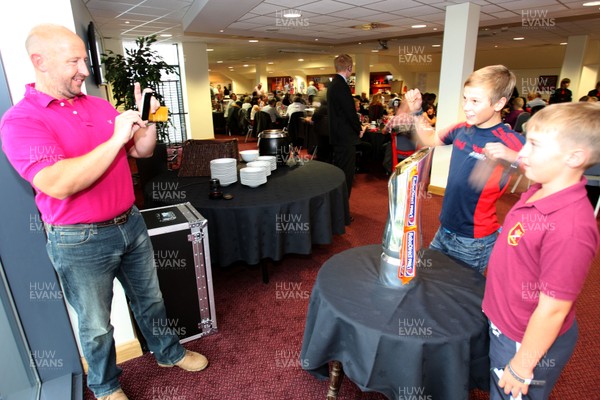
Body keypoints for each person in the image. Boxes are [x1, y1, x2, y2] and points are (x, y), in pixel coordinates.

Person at [0, 24, 208, 400]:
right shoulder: (21, 120)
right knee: (96, 325)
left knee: (151, 299)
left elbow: (140, 151)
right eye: (74, 61)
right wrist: (115, 138)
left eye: (83, 57)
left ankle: (167, 352)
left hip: (130, 222)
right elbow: (58, 182)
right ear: (39, 62)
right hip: (79, 240)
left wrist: (147, 123)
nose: (84, 68)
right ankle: (106, 384)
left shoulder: (98, 105)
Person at [482, 102, 600, 400]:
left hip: (524, 342)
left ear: (575, 157)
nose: (521, 153)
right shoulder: (539, 188)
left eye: (533, 145)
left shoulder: (571, 227)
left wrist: (522, 365)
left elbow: (554, 308)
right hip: (506, 323)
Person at [405, 65, 526, 274]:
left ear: (499, 103)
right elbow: (430, 139)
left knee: (461, 301)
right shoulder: (462, 129)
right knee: (429, 282)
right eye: (465, 99)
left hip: (473, 241)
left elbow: (550, 169)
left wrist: (514, 156)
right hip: (445, 230)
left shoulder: (511, 141)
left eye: (475, 101)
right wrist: (417, 112)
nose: (467, 107)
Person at [327, 54, 367, 199]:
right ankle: (342, 211)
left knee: (340, 173)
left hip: (338, 137)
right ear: (349, 68)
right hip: (345, 138)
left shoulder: (333, 84)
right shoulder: (341, 86)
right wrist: (359, 129)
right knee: (345, 175)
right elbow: (350, 112)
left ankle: (339, 209)